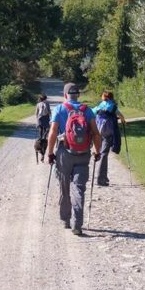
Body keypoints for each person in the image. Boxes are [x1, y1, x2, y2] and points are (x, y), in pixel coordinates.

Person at [46, 83, 101, 235]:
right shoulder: (87, 110)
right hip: (83, 153)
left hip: (65, 152)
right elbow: (96, 134)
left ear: (65, 95)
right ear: (78, 95)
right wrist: (97, 151)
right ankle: (77, 223)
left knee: (64, 186)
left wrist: (50, 153)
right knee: (79, 188)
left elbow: (52, 132)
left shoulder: (59, 109)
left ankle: (65, 219)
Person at [94, 90, 127, 187]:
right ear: (111, 97)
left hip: (98, 131)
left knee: (100, 153)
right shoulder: (112, 105)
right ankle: (101, 178)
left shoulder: (100, 105)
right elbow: (120, 115)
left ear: (104, 97)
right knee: (104, 154)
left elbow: (93, 113)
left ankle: (103, 177)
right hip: (108, 132)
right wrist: (124, 121)